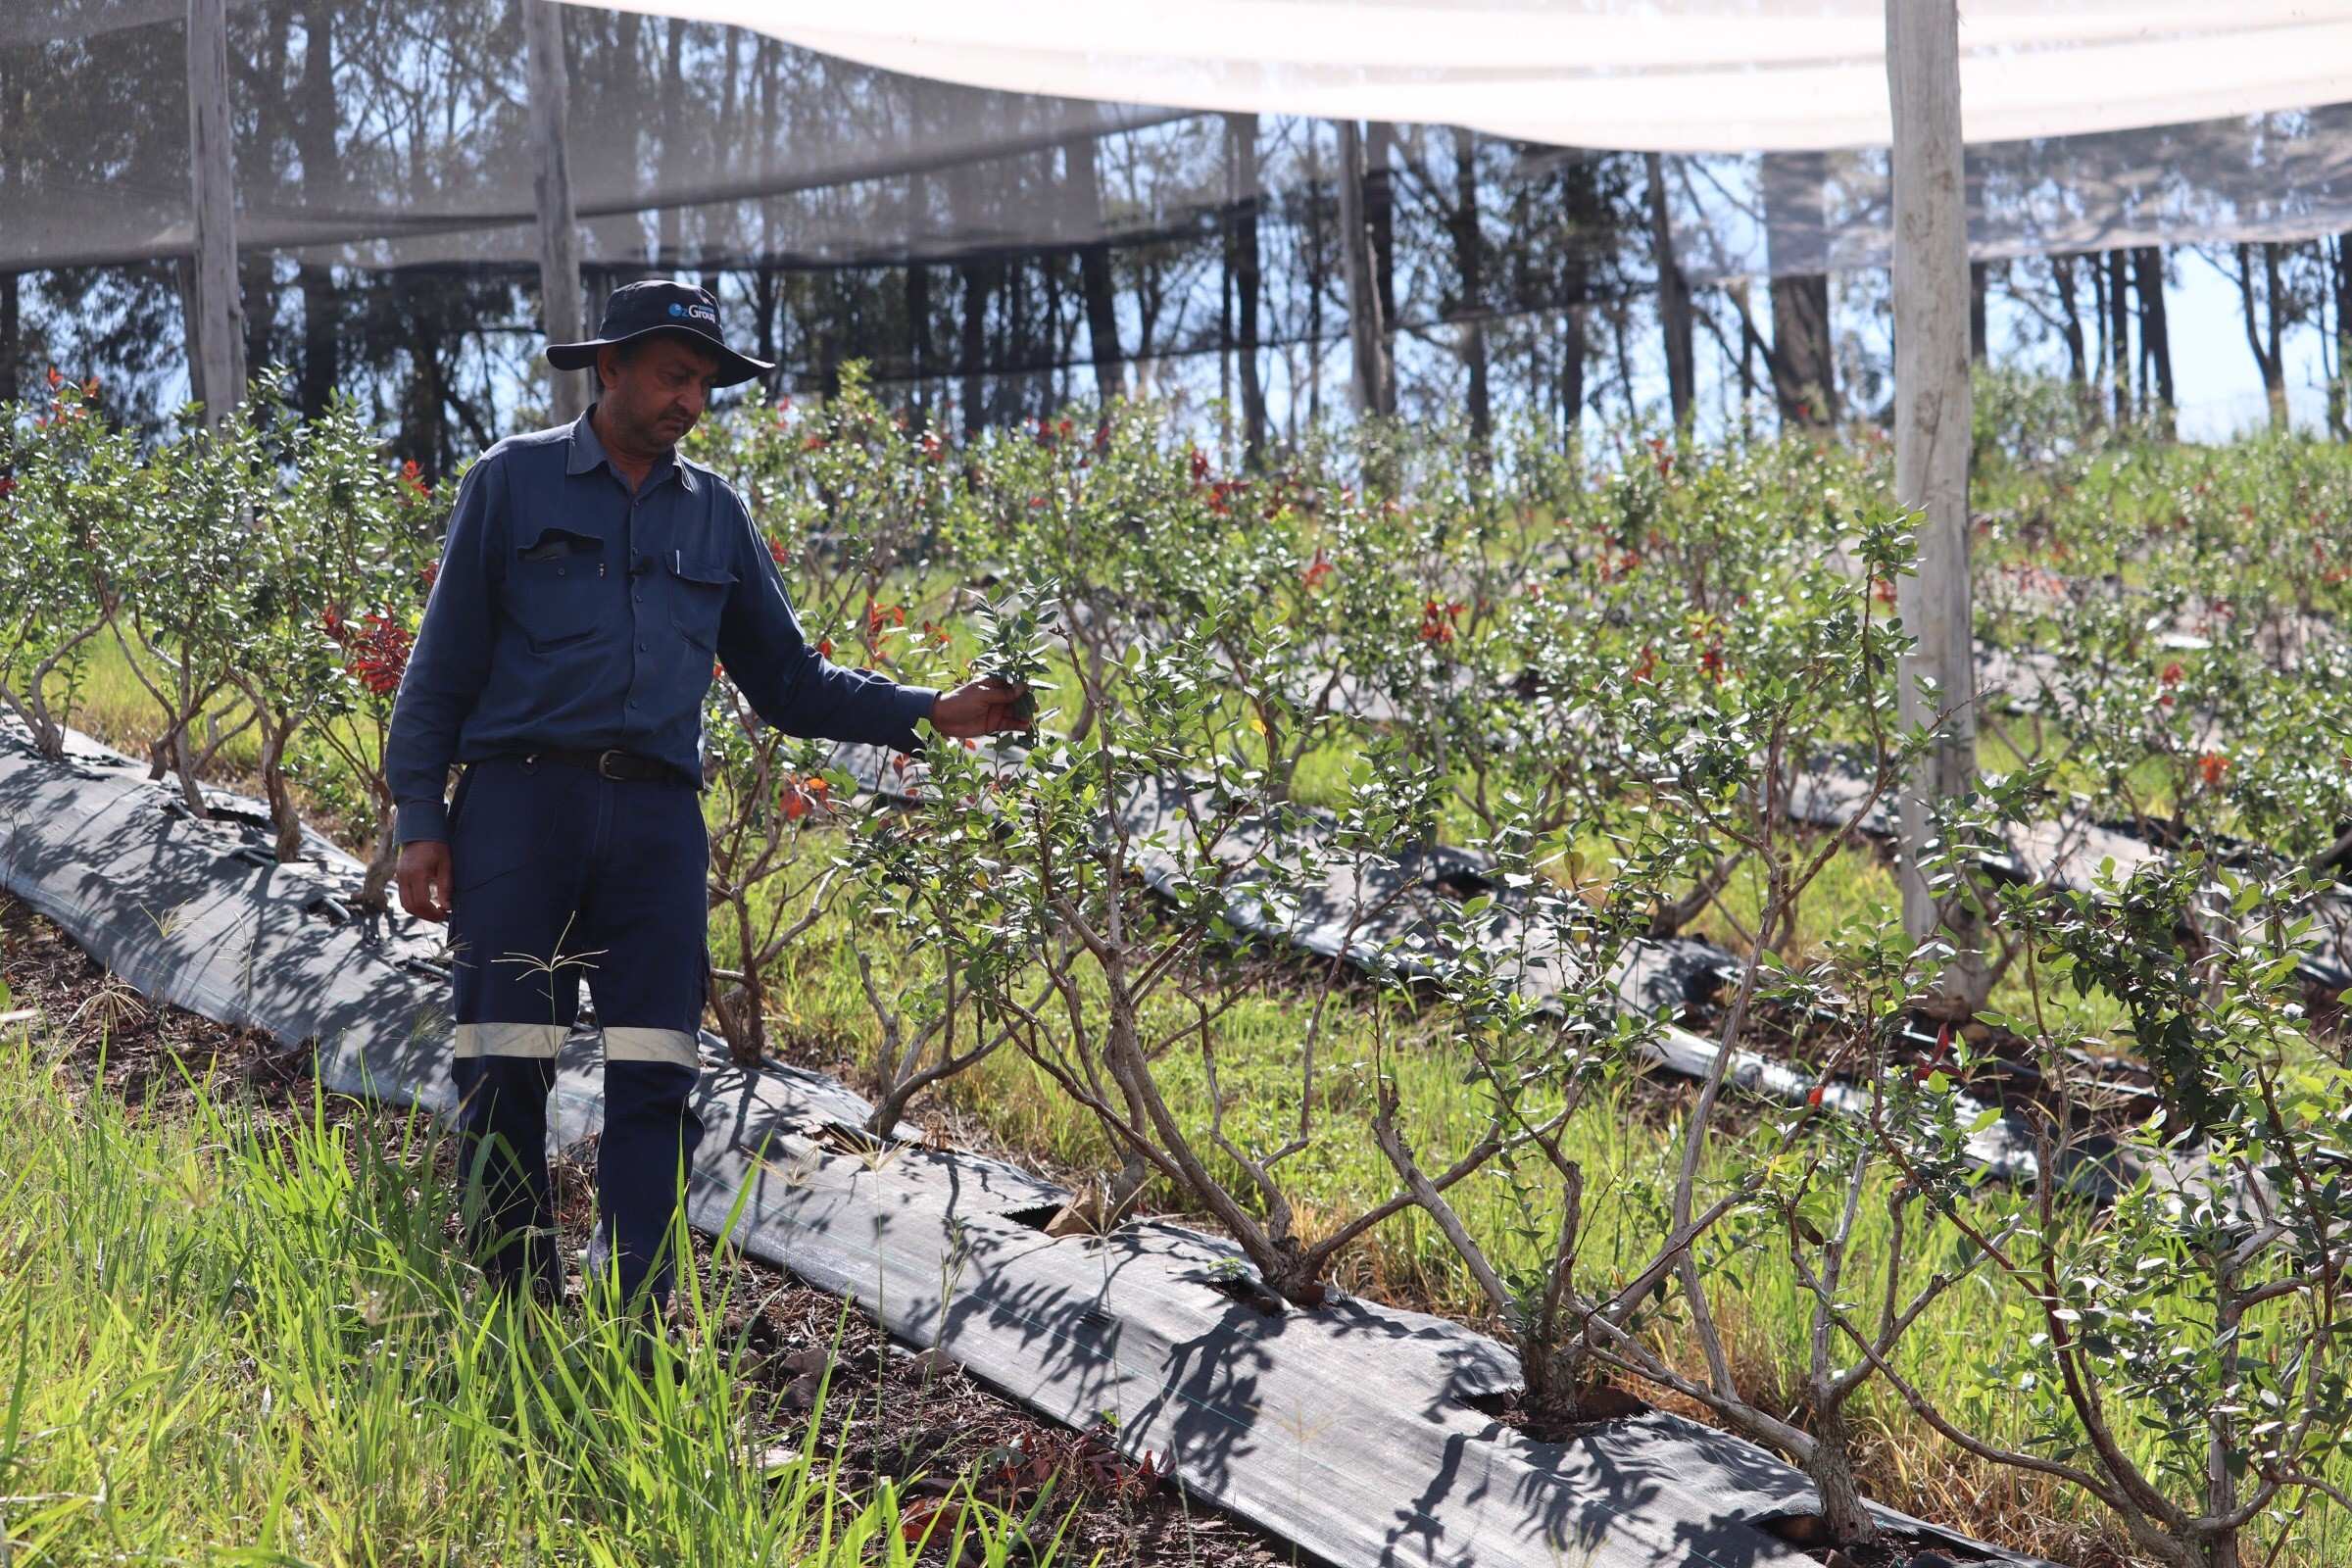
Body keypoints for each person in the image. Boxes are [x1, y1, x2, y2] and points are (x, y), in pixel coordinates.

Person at [385, 278, 1026, 1315]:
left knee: (656, 1072)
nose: (691, 399)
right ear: (613, 367)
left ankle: (635, 1314)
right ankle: (513, 1306)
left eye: (705, 383)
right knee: (505, 1064)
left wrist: (932, 711)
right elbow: (440, 668)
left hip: (653, 827)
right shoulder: (513, 483)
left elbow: (789, 682)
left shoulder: (716, 514)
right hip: (520, 811)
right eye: (674, 375)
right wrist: (421, 820)